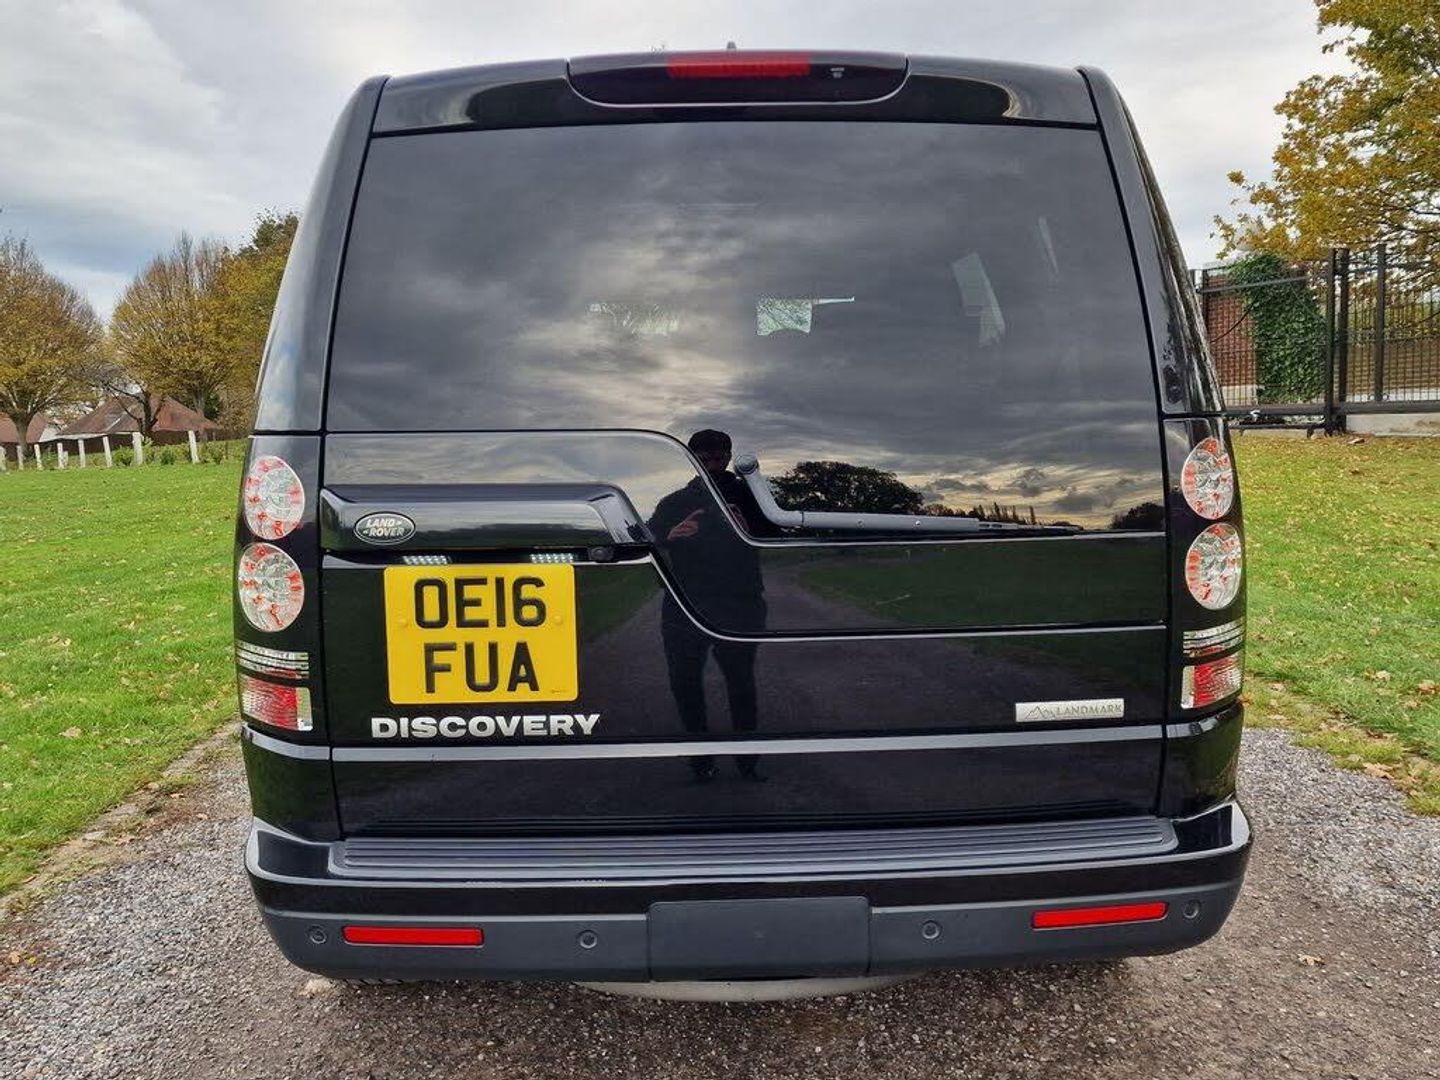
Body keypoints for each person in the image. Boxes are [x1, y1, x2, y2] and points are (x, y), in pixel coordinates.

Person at [648, 430, 776, 781]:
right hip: (684, 604)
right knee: (685, 684)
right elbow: (648, 541)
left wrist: (749, 528)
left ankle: (748, 763)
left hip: (740, 603)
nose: (712, 466)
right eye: (703, 459)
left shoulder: (752, 497)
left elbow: (779, 535)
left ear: (729, 456)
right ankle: (700, 762)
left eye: (718, 458)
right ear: (691, 459)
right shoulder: (674, 502)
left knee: (741, 682)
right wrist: (671, 536)